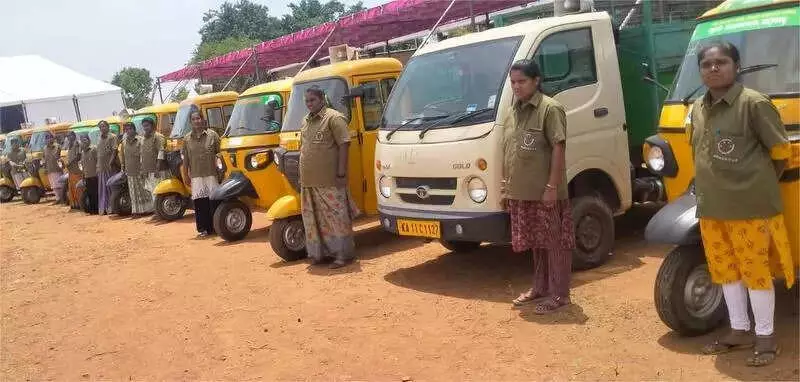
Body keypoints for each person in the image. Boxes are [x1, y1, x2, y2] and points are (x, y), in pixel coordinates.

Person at [690, 42, 793, 367]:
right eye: (707, 64)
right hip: (713, 208)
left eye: (722, 62)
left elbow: (780, 153)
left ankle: (765, 338)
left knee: (756, 275)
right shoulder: (697, 107)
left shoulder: (754, 104)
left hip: (750, 209)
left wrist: (754, 184)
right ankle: (739, 330)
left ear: (736, 67)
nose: (714, 68)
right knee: (726, 273)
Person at [502, 60, 574, 313]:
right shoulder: (514, 110)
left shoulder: (550, 109)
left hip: (546, 192)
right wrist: (506, 189)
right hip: (523, 191)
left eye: (522, 81)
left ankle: (560, 295)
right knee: (537, 243)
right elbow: (510, 150)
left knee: (555, 244)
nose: (516, 86)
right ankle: (540, 288)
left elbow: (558, 147)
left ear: (536, 81)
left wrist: (552, 187)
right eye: (513, 82)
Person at [299, 87, 360, 269]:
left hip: (330, 181)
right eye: (307, 101)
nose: (309, 104)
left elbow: (344, 145)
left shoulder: (333, 118)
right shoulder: (305, 121)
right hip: (309, 182)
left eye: (313, 100)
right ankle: (319, 254)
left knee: (336, 219)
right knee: (313, 221)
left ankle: (343, 255)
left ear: (322, 100)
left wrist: (341, 173)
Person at [181, 107, 221, 237]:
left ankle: (216, 227)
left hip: (212, 174)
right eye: (193, 119)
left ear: (202, 120)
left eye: (198, 118)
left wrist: (222, 172)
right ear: (190, 122)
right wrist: (186, 175)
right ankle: (203, 229)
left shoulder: (212, 135)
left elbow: (220, 155)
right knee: (200, 203)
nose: (196, 121)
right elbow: (186, 159)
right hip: (196, 176)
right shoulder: (187, 139)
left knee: (214, 201)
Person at [139, 117, 169, 211]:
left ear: (152, 126)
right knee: (152, 192)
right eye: (144, 126)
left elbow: (161, 152)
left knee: (159, 192)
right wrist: (143, 169)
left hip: (158, 170)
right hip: (148, 170)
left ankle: (163, 211)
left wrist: (157, 168)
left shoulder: (158, 136)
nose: (145, 128)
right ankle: (157, 211)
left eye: (147, 126)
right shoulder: (144, 138)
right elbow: (142, 154)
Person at [120, 122, 150, 215]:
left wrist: (143, 169)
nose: (128, 131)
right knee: (133, 193)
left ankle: (148, 210)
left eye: (130, 129)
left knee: (144, 191)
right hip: (130, 171)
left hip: (140, 170)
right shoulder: (124, 143)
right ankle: (137, 211)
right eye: (126, 130)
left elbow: (143, 156)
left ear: (134, 129)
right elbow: (123, 157)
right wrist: (123, 169)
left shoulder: (141, 140)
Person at [95, 120, 118, 215]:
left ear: (108, 127)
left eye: (104, 126)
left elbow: (114, 151)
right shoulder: (99, 139)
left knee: (111, 188)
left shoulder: (112, 137)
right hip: (101, 168)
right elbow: (98, 154)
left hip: (110, 168)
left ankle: (113, 207)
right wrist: (97, 166)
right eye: (100, 127)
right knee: (103, 189)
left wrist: (111, 162)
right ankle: (104, 208)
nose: (102, 128)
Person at [79, 134, 99, 214]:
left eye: (85, 140)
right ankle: (92, 210)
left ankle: (98, 209)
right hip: (87, 176)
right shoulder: (82, 152)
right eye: (82, 141)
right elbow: (83, 166)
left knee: (96, 193)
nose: (84, 142)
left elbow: (98, 161)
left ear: (89, 140)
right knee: (90, 194)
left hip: (95, 175)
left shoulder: (94, 149)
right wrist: (83, 176)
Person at [43, 133, 63, 204]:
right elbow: (44, 159)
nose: (48, 140)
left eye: (50, 138)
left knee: (60, 185)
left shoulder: (58, 147)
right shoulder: (45, 148)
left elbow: (62, 157)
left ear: (53, 138)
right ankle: (58, 198)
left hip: (58, 169)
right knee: (53, 186)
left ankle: (62, 198)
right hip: (49, 169)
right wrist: (45, 168)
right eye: (47, 139)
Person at [64, 131, 82, 209]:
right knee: (72, 187)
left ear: (74, 136)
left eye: (70, 136)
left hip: (77, 169)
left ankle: (80, 203)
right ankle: (74, 204)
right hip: (71, 170)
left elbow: (78, 156)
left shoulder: (77, 143)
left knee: (78, 187)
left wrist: (70, 163)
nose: (69, 138)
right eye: (67, 137)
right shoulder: (69, 145)